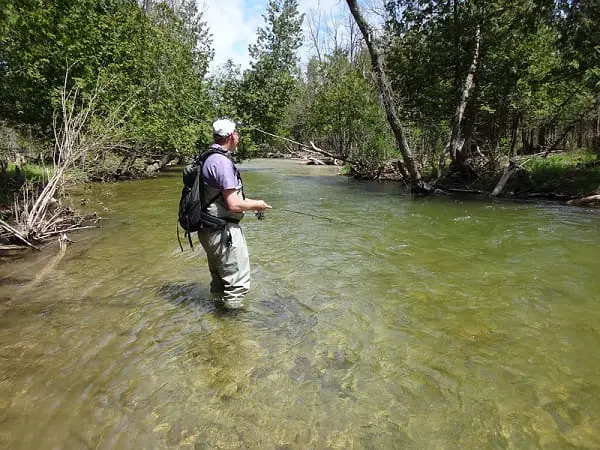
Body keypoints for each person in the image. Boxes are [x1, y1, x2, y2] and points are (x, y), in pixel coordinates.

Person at [196, 118, 271, 310]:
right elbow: (234, 204)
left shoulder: (208, 157)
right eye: (237, 133)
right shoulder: (222, 162)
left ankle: (217, 323)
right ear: (231, 136)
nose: (238, 136)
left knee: (220, 283)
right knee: (237, 286)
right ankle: (233, 330)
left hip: (208, 229)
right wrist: (258, 204)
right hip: (223, 232)